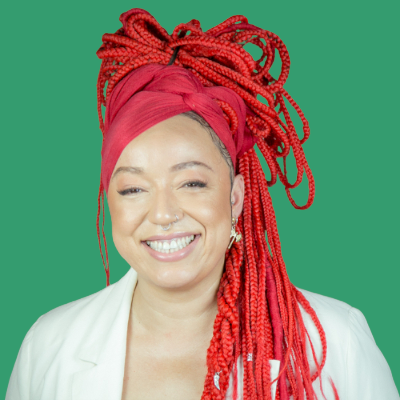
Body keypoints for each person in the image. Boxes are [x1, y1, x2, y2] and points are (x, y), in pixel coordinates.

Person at [6, 7, 399, 400]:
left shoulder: (336, 342)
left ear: (235, 198)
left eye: (192, 183)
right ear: (110, 201)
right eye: (133, 189)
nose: (163, 214)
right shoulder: (47, 346)